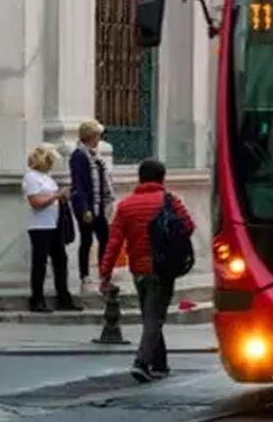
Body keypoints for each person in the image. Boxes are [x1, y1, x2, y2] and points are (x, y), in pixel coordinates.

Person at [100, 159, 195, 382]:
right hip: (163, 268)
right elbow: (189, 226)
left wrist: (105, 273)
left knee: (151, 315)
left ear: (139, 177)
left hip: (139, 270)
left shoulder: (126, 206)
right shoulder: (171, 201)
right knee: (155, 317)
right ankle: (142, 362)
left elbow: (113, 242)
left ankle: (160, 363)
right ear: (162, 178)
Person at [22, 144, 81, 314]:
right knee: (39, 262)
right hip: (40, 225)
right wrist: (56, 195)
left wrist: (63, 197)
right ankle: (37, 299)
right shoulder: (31, 177)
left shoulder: (47, 177)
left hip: (53, 224)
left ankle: (64, 297)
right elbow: (36, 203)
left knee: (60, 261)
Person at [69, 120, 112, 291]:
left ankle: (104, 271)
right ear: (90, 136)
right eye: (97, 136)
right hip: (85, 206)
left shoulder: (96, 155)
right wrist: (85, 208)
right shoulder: (78, 156)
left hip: (99, 205)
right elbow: (78, 183)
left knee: (105, 238)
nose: (98, 139)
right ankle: (84, 274)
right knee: (86, 240)